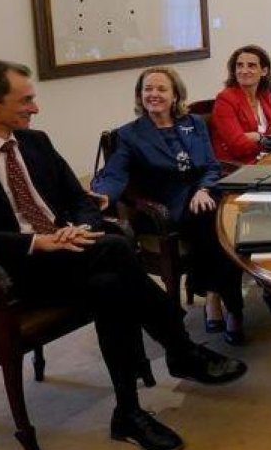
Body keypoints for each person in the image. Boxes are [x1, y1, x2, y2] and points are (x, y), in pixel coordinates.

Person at [0, 60, 247, 450]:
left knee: (111, 284)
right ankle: (180, 348)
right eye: (26, 100)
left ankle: (129, 413)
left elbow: (80, 200)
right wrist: (36, 243)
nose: (35, 108)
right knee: (117, 248)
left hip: (71, 256)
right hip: (8, 273)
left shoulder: (35, 143)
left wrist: (80, 228)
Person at [93, 67, 247, 346]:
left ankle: (213, 295)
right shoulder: (129, 135)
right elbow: (115, 173)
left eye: (161, 89)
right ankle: (234, 308)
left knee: (228, 215)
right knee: (216, 222)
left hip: (204, 194)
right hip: (166, 206)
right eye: (147, 89)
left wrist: (203, 189)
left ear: (175, 94)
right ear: (139, 96)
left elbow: (211, 165)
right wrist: (103, 195)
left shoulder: (194, 123)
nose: (154, 94)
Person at [210, 45, 271, 165]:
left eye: (251, 66)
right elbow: (238, 146)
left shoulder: (266, 96)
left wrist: (258, 137)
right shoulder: (225, 100)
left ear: (264, 71)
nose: (244, 71)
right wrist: (265, 139)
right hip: (239, 166)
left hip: (268, 158)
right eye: (239, 65)